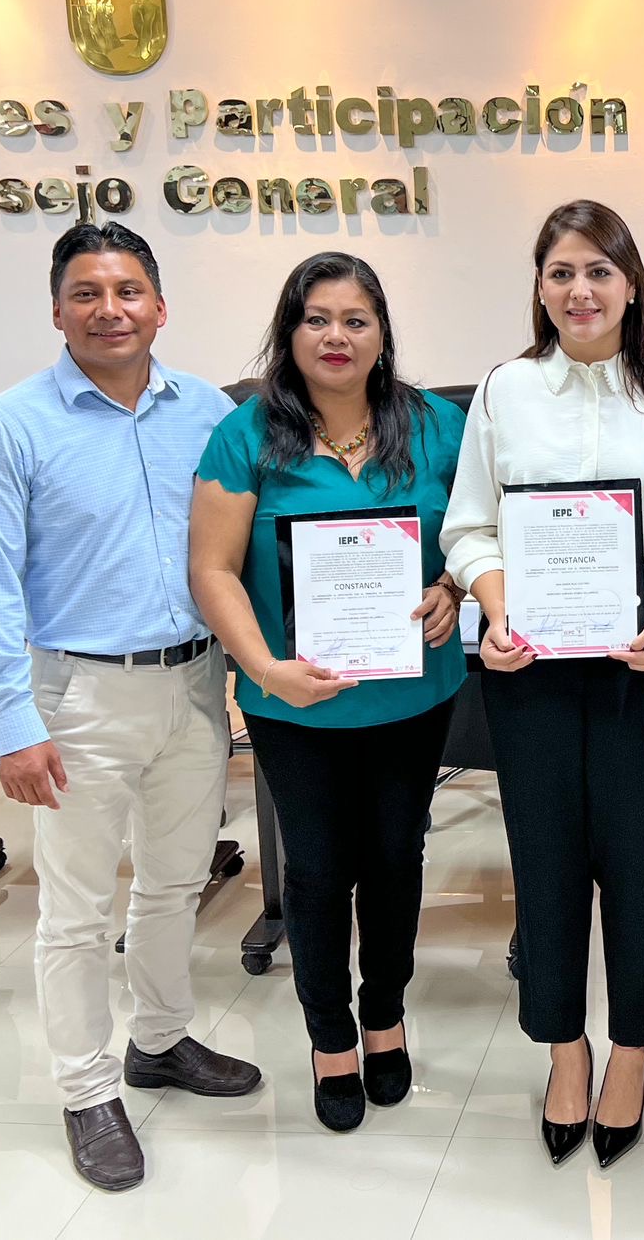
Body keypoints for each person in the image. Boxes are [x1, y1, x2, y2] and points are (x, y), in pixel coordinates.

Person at [0, 222, 261, 1193]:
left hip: (192, 685)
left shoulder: (209, 415)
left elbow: (249, 547)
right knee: (78, 914)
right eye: (86, 292)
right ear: (57, 311)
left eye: (128, 290)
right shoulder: (8, 426)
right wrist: (12, 722)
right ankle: (87, 1089)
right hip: (76, 693)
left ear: (160, 306)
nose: (109, 308)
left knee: (174, 884)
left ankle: (161, 1041)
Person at [441, 200, 644, 1168]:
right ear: (538, 285)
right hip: (528, 642)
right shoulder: (506, 389)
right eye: (561, 271)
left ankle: (632, 1047)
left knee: (636, 854)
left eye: (598, 271)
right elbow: (470, 525)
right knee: (545, 852)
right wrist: (492, 608)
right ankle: (562, 1044)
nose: (580, 290)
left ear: (631, 283)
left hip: (640, 643)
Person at [190, 253, 467, 1133]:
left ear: (382, 333)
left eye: (356, 319)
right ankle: (330, 1039)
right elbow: (212, 569)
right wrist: (264, 671)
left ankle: (383, 1015)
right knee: (315, 873)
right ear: (289, 329)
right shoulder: (245, 434)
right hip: (292, 703)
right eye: (317, 318)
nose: (336, 336)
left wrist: (455, 589)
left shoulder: (436, 426)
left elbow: (479, 536)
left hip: (411, 696)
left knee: (395, 860)